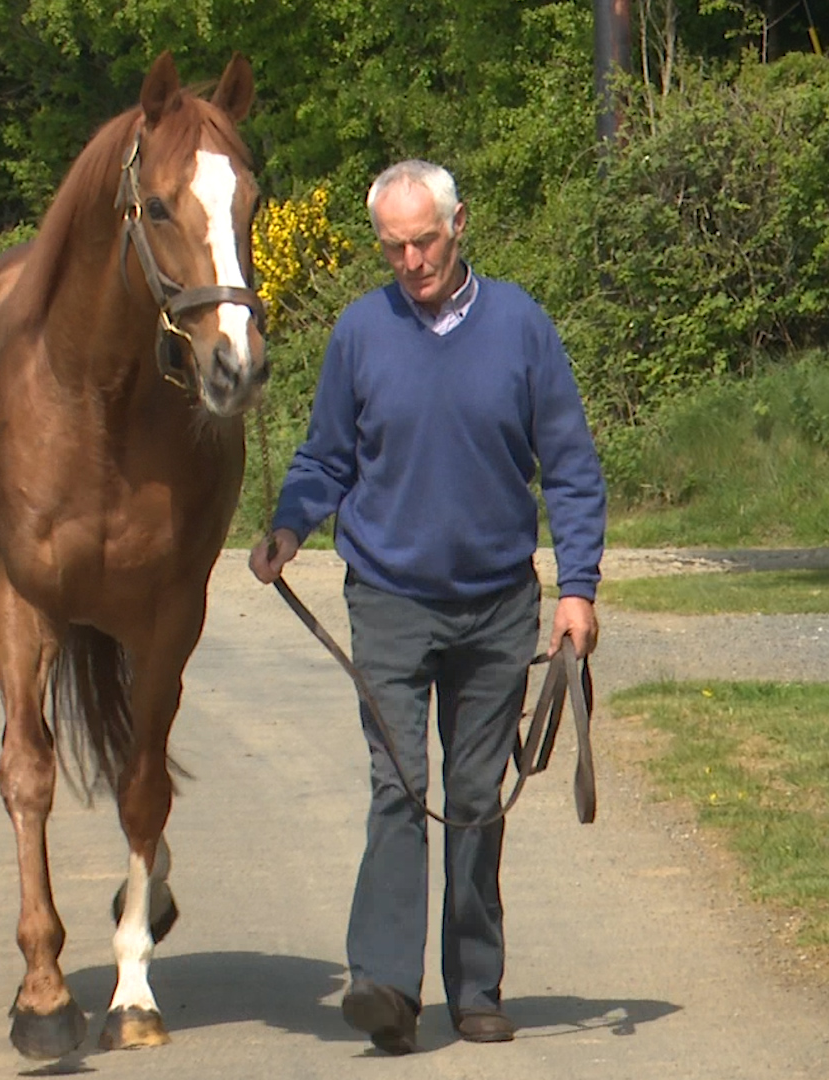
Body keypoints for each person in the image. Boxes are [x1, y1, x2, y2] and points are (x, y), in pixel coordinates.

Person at [249, 159, 606, 1054]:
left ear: (459, 227)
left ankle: (476, 986)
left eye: (425, 240)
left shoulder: (522, 326)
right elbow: (326, 456)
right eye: (394, 245)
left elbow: (569, 466)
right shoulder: (360, 333)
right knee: (398, 787)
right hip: (390, 598)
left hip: (494, 605)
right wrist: (289, 529)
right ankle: (385, 987)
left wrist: (576, 589)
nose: (411, 259)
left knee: (477, 794)